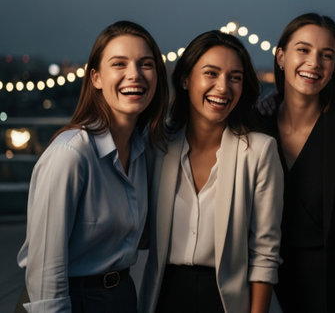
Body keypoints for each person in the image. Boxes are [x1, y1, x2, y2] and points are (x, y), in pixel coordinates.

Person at [17, 21, 169, 313]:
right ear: (96, 78)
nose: (134, 75)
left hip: (123, 296)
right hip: (75, 300)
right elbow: (45, 271)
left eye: (145, 64)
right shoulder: (71, 154)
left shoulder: (145, 151)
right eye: (119, 64)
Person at [139, 30, 284, 313]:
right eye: (211, 73)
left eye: (235, 77)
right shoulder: (156, 147)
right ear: (185, 79)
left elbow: (265, 254)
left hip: (226, 302)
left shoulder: (259, 152)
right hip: (163, 297)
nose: (223, 87)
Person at [258, 13, 335, 312]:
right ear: (281, 56)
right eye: (303, 50)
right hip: (264, 285)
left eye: (326, 55)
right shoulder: (255, 126)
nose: (314, 63)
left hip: (333, 291)